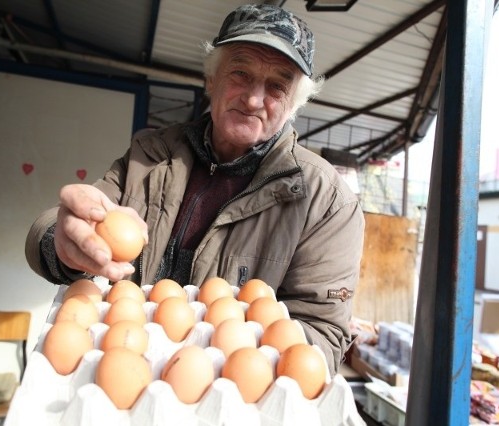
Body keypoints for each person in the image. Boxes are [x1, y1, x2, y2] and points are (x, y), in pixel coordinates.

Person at [25, 3, 365, 375]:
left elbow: (324, 336)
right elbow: (73, 225)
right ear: (211, 79)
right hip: (128, 371)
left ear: (293, 103)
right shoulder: (150, 154)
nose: (253, 100)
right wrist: (61, 241)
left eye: (276, 86)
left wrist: (240, 364)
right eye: (240, 73)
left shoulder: (325, 201)